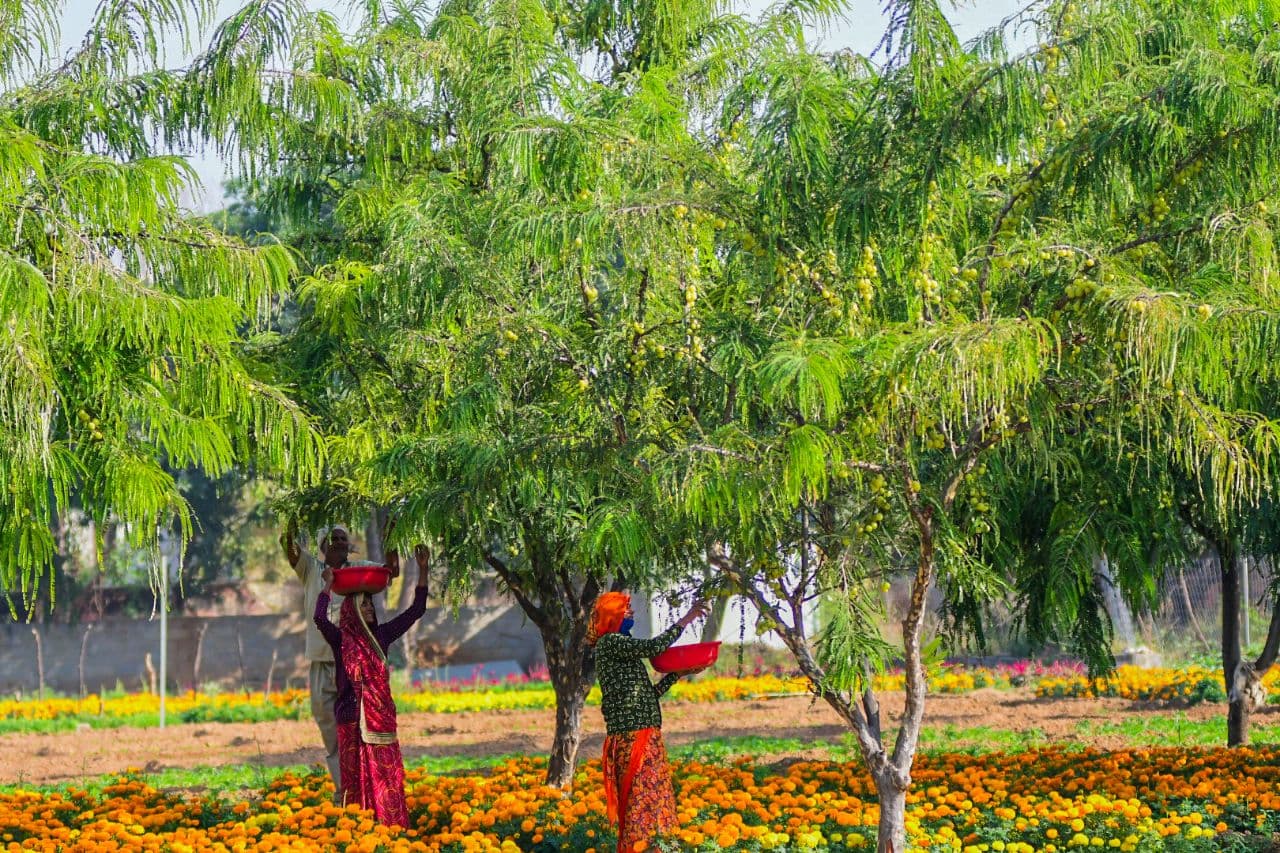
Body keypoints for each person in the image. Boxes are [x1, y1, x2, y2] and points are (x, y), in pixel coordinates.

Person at [281, 522, 399, 800]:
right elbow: (290, 548)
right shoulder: (312, 570)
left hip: (354, 664)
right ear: (322, 547)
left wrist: (393, 538)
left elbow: (390, 572)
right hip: (322, 663)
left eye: (342, 539)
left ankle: (369, 790)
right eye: (332, 539)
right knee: (329, 727)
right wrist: (296, 517)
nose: (338, 543)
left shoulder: (360, 570)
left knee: (362, 727)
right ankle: (343, 792)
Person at [315, 544, 430, 826]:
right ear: (351, 609)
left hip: (381, 722)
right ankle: (360, 831)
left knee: (386, 776)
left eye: (370, 603)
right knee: (355, 781)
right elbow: (319, 618)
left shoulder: (382, 636)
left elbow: (417, 609)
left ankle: (392, 829)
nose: (368, 607)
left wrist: (423, 571)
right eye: (362, 604)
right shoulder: (341, 640)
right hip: (351, 720)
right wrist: (327, 587)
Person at [590, 592, 709, 853]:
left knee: (653, 796)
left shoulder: (621, 647)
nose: (631, 613)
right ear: (613, 615)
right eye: (626, 609)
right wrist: (686, 619)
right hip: (633, 738)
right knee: (640, 799)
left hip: (645, 733)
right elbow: (654, 648)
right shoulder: (611, 643)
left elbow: (646, 696)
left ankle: (657, 847)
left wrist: (677, 674)